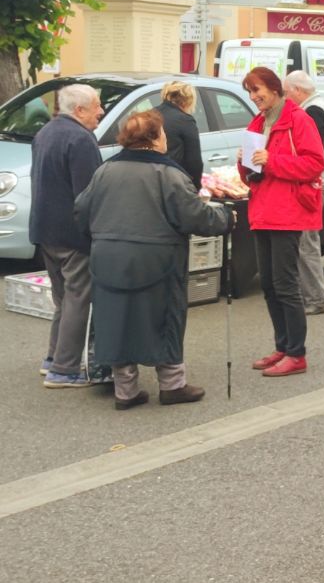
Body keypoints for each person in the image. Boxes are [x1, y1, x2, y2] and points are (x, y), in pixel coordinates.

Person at [74, 110, 232, 409]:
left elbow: (81, 211)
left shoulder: (105, 171)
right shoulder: (169, 174)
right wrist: (224, 217)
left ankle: (126, 391)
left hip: (108, 256)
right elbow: (194, 216)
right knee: (165, 318)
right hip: (157, 258)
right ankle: (172, 385)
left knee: (116, 318)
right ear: (157, 138)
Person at [237, 66, 324, 377]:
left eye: (258, 90)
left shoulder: (299, 120)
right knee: (270, 284)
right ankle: (282, 345)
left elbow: (315, 164)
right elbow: (252, 172)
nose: (254, 96)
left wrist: (271, 161)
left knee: (286, 285)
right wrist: (244, 160)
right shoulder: (258, 121)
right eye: (250, 91)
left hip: (287, 212)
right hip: (263, 209)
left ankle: (296, 354)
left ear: (275, 89)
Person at [30, 83, 106, 388]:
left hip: (45, 229)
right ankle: (65, 368)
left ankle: (53, 358)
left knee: (63, 297)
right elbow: (88, 195)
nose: (101, 111)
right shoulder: (81, 139)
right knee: (78, 298)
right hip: (73, 233)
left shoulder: (46, 132)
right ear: (80, 110)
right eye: (97, 106)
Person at [283, 70, 324, 316]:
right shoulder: (319, 106)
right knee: (305, 242)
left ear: (297, 90)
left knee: (306, 243)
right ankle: (310, 294)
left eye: (286, 92)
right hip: (317, 182)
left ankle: (317, 298)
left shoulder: (312, 111)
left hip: (313, 184)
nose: (285, 98)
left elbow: (306, 151)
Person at [156, 81, 203, 189]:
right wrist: (196, 187)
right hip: (174, 183)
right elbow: (194, 161)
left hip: (150, 180)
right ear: (188, 100)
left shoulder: (150, 114)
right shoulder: (185, 120)